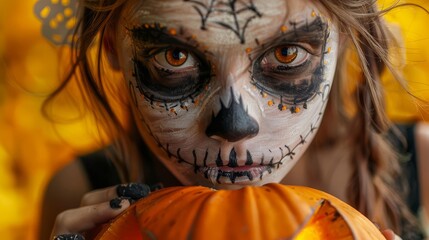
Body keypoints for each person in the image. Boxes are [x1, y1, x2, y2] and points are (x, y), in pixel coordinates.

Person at [36, 0, 426, 239]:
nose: (236, 124)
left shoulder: (424, 169)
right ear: (112, 49)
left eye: (287, 54)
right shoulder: (76, 198)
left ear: (339, 39)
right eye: (175, 58)